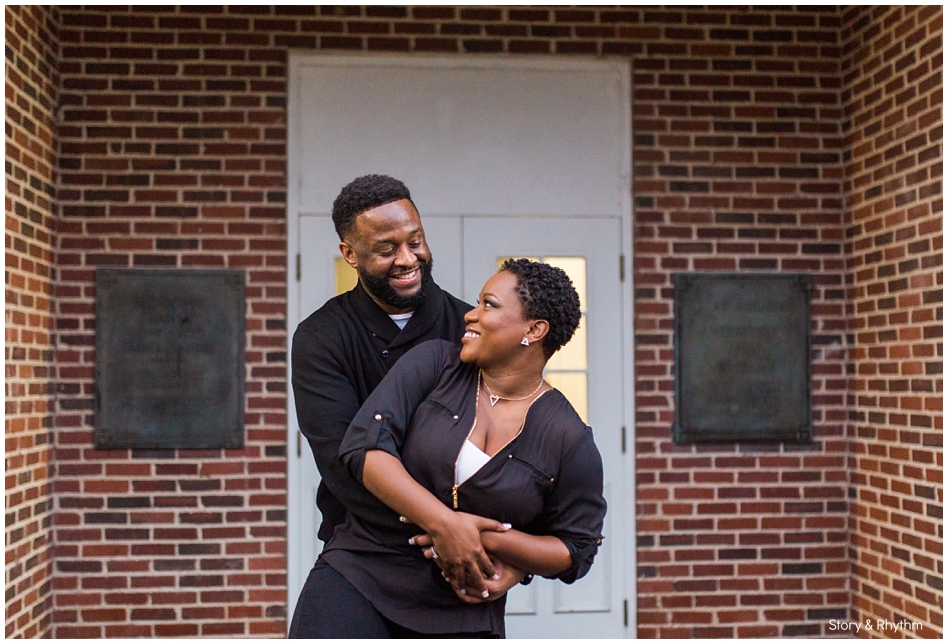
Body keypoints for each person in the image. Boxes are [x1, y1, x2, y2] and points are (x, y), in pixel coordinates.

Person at [289, 259, 607, 638]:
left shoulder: (568, 437)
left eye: (489, 305)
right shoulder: (434, 364)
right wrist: (446, 524)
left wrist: (486, 542)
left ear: (534, 330)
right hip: (361, 576)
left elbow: (576, 549)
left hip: (464, 606)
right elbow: (365, 450)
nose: (470, 315)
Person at [290, 175, 525, 630]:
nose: (407, 259)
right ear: (350, 254)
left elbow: (521, 449)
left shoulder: (470, 328)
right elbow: (344, 464)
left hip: (466, 561)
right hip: (362, 551)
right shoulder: (322, 337)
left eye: (415, 241)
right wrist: (441, 527)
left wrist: (515, 553)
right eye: (386, 249)